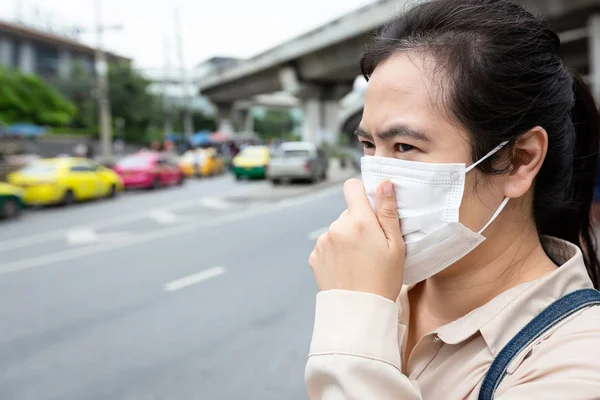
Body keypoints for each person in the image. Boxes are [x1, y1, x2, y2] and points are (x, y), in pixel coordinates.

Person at [306, 1, 600, 399]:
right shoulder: (385, 289)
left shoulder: (578, 359)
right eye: (368, 145)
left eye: (405, 146)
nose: (376, 182)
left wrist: (355, 315)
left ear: (520, 160)